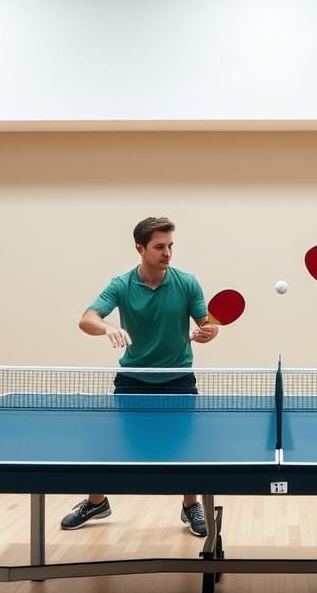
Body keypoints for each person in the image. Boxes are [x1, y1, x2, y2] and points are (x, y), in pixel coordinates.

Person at [68, 216, 218, 536]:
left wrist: (209, 333)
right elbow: (87, 319)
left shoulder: (187, 282)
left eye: (170, 246)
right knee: (112, 444)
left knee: (186, 450)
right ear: (140, 248)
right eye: (159, 247)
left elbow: (208, 323)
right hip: (133, 378)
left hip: (178, 378)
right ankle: (97, 502)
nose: (167, 253)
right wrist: (108, 327)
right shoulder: (121, 285)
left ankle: (190, 506)